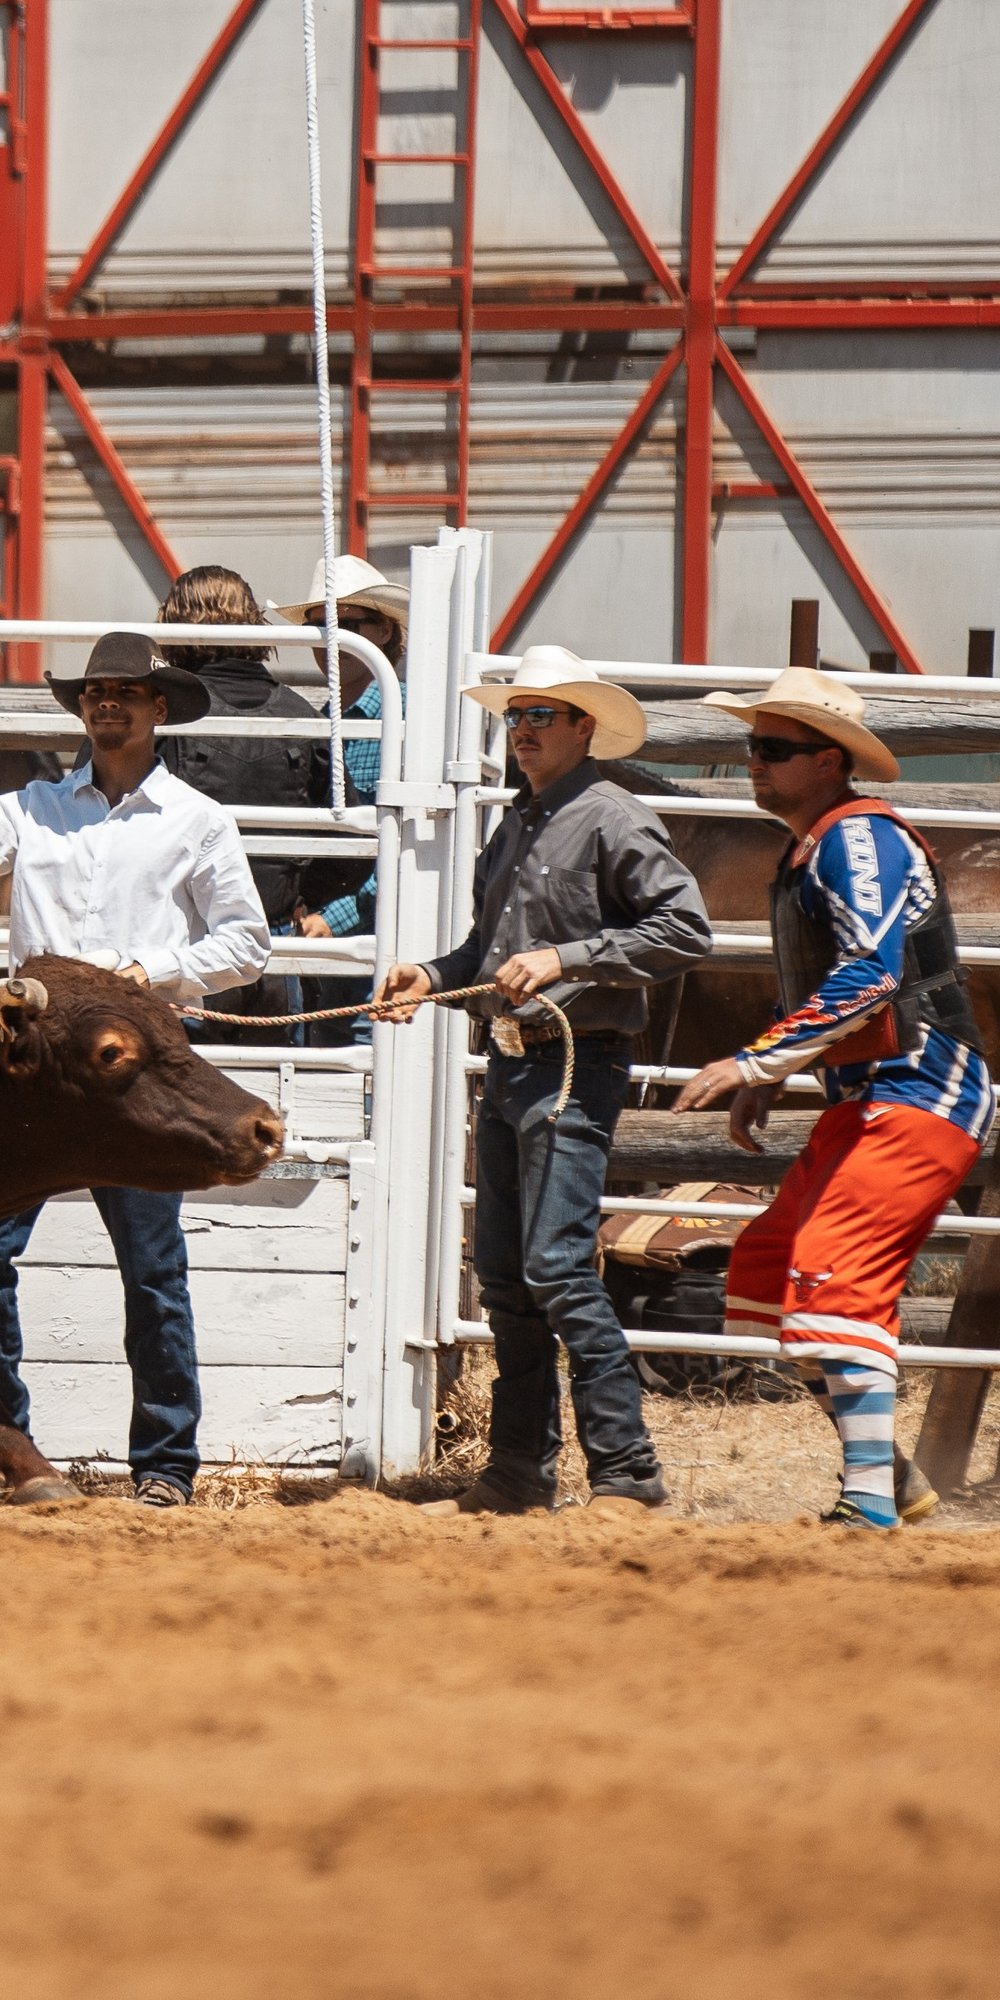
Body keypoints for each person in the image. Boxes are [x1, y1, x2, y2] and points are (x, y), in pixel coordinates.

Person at [0, 630, 271, 1505]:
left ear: (157, 709)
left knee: (151, 1270)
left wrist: (153, 972)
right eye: (96, 691)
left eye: (125, 693)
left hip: (132, 1074)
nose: (107, 704)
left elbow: (245, 945)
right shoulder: (32, 805)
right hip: (36, 1067)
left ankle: (165, 1464)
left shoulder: (197, 821)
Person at [377, 643, 714, 1514]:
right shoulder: (518, 824)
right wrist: (431, 977)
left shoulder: (613, 818)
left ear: (583, 729)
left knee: (558, 1269)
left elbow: (685, 930)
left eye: (539, 716)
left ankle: (627, 1474)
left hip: (575, 1063)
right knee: (506, 1276)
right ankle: (517, 1472)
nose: (520, 730)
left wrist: (569, 955)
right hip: (515, 1064)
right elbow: (495, 963)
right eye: (514, 715)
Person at [674, 668, 980, 1530]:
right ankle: (895, 1476)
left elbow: (873, 974)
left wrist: (759, 1062)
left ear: (828, 761)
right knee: (772, 1267)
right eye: (752, 748)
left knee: (830, 1276)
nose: (754, 765)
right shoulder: (818, 846)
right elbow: (831, 975)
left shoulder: (857, 841)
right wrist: (773, 1073)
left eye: (772, 751)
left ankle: (870, 1501)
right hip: (875, 1096)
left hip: (920, 1092)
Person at [153, 563, 322, 1039]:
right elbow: (342, 830)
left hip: (185, 951)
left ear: (173, 623)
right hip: (279, 946)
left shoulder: (160, 713)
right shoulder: (300, 713)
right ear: (253, 624)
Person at [274, 552, 408, 1044]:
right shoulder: (332, 718)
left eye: (346, 623)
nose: (328, 639)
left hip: (378, 947)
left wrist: (331, 918)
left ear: (383, 632)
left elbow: (409, 848)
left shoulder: (405, 720)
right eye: (318, 628)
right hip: (335, 943)